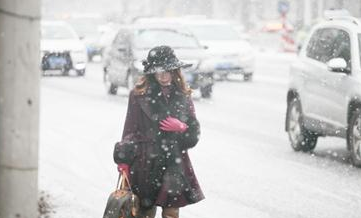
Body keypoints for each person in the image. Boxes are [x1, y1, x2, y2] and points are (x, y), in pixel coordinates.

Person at [113, 45, 204, 218]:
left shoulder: (183, 94)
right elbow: (130, 129)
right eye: (159, 71)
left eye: (167, 70)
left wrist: (183, 128)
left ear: (175, 71)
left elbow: (193, 132)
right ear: (151, 72)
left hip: (174, 162)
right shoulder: (139, 94)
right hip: (144, 161)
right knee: (144, 211)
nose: (163, 75)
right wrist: (123, 159)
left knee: (171, 212)